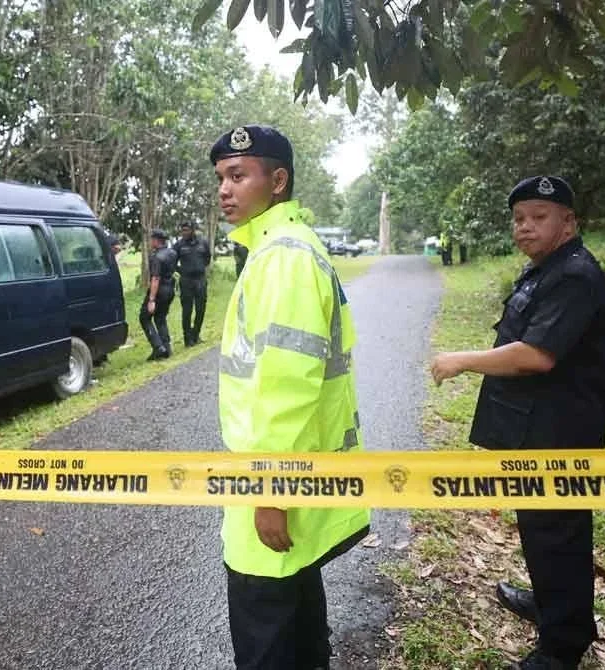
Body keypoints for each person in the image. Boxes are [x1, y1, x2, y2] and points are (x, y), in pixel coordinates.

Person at [430, 176, 605, 670]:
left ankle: (562, 645)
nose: (525, 228)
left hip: (560, 433)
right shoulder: (546, 269)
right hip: (536, 426)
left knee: (557, 529)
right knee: (540, 525)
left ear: (569, 222)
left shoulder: (574, 275)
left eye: (539, 217)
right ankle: (553, 604)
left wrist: (462, 360)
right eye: (518, 219)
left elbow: (537, 354)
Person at [211, 124, 371, 670]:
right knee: (299, 618)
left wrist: (269, 490)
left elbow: (287, 388)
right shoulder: (283, 249)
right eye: (220, 179)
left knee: (267, 639)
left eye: (238, 176)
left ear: (277, 181)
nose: (225, 191)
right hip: (287, 474)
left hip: (274, 481)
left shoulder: (283, 257)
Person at [140, 229, 176, 361]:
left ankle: (158, 348)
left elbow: (155, 278)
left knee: (144, 318)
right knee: (160, 318)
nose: (150, 242)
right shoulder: (172, 253)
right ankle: (167, 348)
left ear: (156, 240)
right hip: (170, 289)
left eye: (151, 239)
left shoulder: (156, 257)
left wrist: (151, 300)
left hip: (159, 291)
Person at [173, 222, 211, 347]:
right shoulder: (179, 245)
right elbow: (172, 261)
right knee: (187, 310)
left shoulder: (203, 243)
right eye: (183, 230)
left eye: (187, 230)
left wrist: (199, 268)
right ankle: (187, 339)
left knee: (201, 309)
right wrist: (182, 271)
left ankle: (196, 334)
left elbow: (207, 258)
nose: (184, 232)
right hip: (186, 281)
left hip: (200, 280)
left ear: (193, 230)